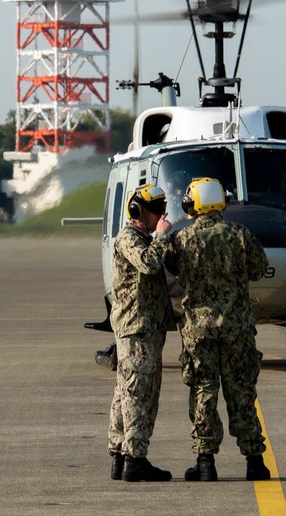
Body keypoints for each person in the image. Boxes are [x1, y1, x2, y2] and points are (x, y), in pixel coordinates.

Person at [165, 177, 272, 482]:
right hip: (237, 327)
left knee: (203, 391)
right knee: (241, 390)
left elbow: (174, 270)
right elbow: (258, 269)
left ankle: (205, 462)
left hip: (199, 330)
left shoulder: (181, 239)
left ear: (193, 203)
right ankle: (255, 462)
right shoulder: (240, 235)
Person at [107, 184, 174, 482]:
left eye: (163, 208)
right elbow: (148, 264)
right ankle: (135, 458)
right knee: (139, 394)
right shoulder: (129, 239)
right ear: (139, 211)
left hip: (144, 328)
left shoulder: (142, 238)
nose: (161, 214)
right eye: (156, 210)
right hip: (137, 330)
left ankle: (121, 457)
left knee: (126, 392)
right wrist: (161, 236)